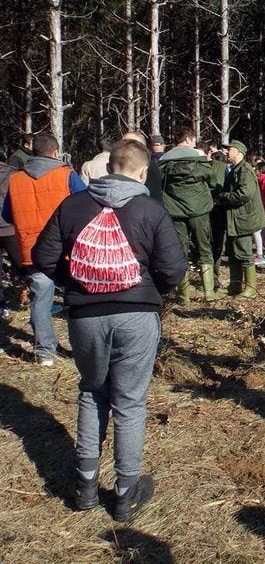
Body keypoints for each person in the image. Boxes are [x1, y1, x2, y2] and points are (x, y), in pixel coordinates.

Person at [32, 139, 187, 522]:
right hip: (136, 315)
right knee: (129, 404)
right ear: (142, 172)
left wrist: (77, 282)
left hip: (86, 316)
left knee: (91, 392)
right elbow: (174, 269)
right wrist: (148, 290)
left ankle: (85, 488)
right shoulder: (151, 210)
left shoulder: (73, 205)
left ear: (107, 168)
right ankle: (124, 495)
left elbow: (42, 256)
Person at [2, 133, 86, 366]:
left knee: (40, 300)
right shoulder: (67, 175)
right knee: (75, 298)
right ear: (56, 152)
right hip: (66, 247)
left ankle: (45, 353)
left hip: (32, 250)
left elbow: (7, 215)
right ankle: (82, 350)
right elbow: (85, 205)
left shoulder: (15, 179)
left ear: (32, 151)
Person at [159, 127, 218, 303]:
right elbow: (212, 180)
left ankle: (184, 295)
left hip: (175, 211)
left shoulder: (164, 159)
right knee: (204, 248)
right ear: (188, 139)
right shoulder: (198, 158)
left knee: (181, 251)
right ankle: (209, 293)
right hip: (199, 210)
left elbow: (159, 183)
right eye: (193, 140)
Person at [217, 140, 265, 298]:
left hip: (243, 220)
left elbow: (245, 193)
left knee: (244, 252)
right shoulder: (235, 169)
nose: (227, 152)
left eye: (229, 149)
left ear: (238, 152)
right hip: (235, 219)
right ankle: (235, 285)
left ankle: (250, 288)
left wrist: (224, 196)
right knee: (233, 252)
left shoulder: (245, 170)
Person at [0, 155, 23, 318]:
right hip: (10, 228)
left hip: (9, 228)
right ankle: (28, 297)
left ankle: (1, 305)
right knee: (23, 266)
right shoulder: (14, 175)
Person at [204, 141, 228, 289]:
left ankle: (209, 279)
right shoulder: (221, 167)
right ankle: (213, 279)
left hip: (203, 209)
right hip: (216, 208)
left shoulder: (201, 166)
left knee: (206, 245)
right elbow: (219, 186)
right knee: (216, 245)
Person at [122, 131, 162, 203]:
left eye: (130, 144)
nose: (125, 147)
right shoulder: (117, 164)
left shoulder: (150, 167)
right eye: (123, 143)